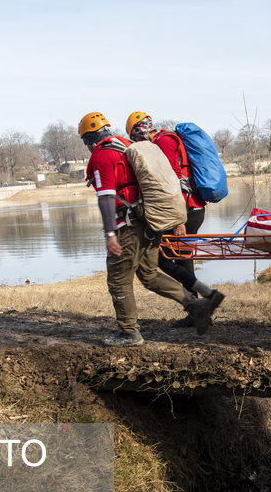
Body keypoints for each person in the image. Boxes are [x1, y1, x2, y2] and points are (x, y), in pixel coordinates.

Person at [79, 111, 222, 346]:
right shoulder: (126, 145)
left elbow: (105, 197)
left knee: (118, 280)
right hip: (150, 222)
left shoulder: (102, 155)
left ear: (88, 140)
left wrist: (110, 234)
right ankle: (196, 306)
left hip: (127, 226)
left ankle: (129, 333)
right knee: (150, 274)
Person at [125, 111, 224, 326]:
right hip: (188, 209)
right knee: (181, 259)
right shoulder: (164, 140)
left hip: (186, 211)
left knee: (163, 259)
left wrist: (179, 221)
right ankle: (200, 307)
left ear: (138, 132)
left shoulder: (164, 142)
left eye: (134, 138)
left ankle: (203, 302)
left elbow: (175, 180)